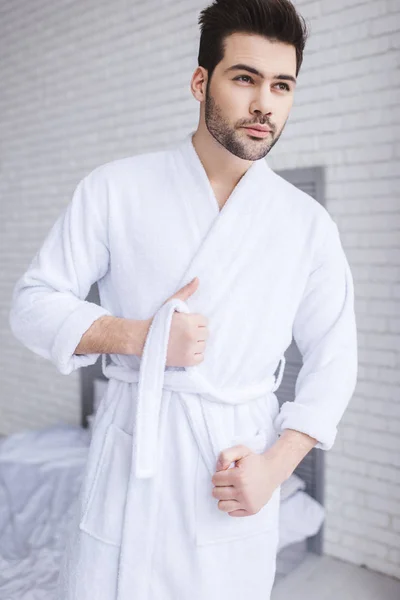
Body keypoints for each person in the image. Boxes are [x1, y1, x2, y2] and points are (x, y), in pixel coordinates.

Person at [9, 0, 358, 598]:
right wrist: (139, 338)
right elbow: (32, 303)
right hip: (133, 446)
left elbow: (336, 357)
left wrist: (275, 469)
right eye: (245, 78)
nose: (263, 104)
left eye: (281, 85)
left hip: (233, 459)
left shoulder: (307, 224)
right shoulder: (117, 188)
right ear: (201, 81)